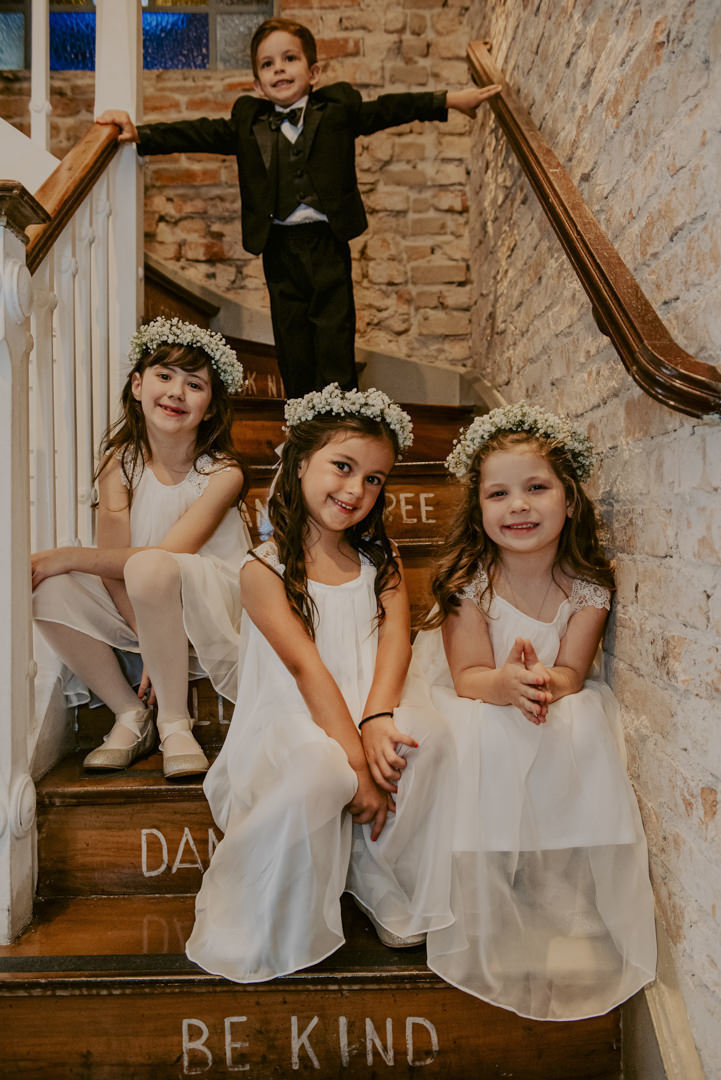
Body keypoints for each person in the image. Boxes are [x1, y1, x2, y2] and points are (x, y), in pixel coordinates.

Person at [185, 384, 454, 981]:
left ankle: (385, 878)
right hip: (297, 719)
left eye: (375, 479)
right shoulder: (263, 569)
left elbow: (395, 641)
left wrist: (380, 718)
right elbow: (307, 668)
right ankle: (274, 902)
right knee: (323, 770)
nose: (357, 490)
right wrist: (358, 764)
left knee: (426, 737)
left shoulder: (381, 559)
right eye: (343, 467)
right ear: (300, 462)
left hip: (367, 705)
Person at [406, 402, 656, 1021]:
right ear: (479, 508)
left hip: (547, 694)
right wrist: (507, 682)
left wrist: (541, 679)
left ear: (569, 500)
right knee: (486, 737)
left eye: (536, 488)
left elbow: (573, 672)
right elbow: (465, 678)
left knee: (584, 728)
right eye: (499, 493)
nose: (518, 505)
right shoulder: (469, 582)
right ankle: (482, 897)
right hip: (480, 695)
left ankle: (568, 904)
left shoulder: (588, 587)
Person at [96, 17, 500, 399]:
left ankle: (340, 413)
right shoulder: (248, 121)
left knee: (334, 326)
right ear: (257, 82)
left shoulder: (337, 109)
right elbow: (198, 131)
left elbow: (389, 108)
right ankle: (300, 415)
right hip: (279, 244)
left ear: (314, 72)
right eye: (268, 64)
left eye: (290, 59)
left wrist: (448, 100)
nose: (280, 69)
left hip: (326, 239)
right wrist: (140, 134)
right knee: (290, 332)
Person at [32, 317, 251, 780]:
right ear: (137, 385)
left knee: (151, 565)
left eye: (195, 384)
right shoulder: (121, 464)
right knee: (48, 590)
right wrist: (146, 640)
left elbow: (166, 559)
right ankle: (131, 713)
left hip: (209, 605)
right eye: (164, 376)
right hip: (143, 608)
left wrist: (68, 554)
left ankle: (175, 721)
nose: (176, 392)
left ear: (210, 408)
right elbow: (115, 569)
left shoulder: (222, 473)